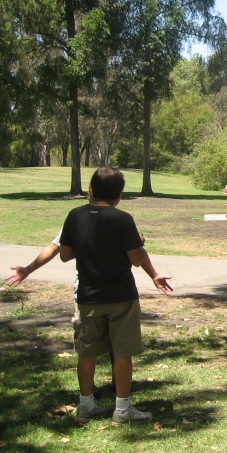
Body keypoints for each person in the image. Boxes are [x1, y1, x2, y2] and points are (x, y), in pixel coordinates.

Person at [59, 167, 173, 424]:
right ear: (119, 194)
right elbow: (135, 259)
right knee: (122, 352)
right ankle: (122, 409)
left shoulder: (75, 216)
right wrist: (136, 242)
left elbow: (65, 255)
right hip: (121, 296)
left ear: (91, 189)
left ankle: (86, 405)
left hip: (88, 295)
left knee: (87, 352)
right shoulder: (122, 219)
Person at [6, 227, 167, 393]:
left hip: (113, 292)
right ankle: (90, 393)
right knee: (89, 346)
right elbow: (55, 247)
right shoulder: (82, 220)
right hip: (91, 294)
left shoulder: (117, 220)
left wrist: (152, 272)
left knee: (116, 344)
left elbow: (137, 253)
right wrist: (28, 269)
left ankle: (115, 386)